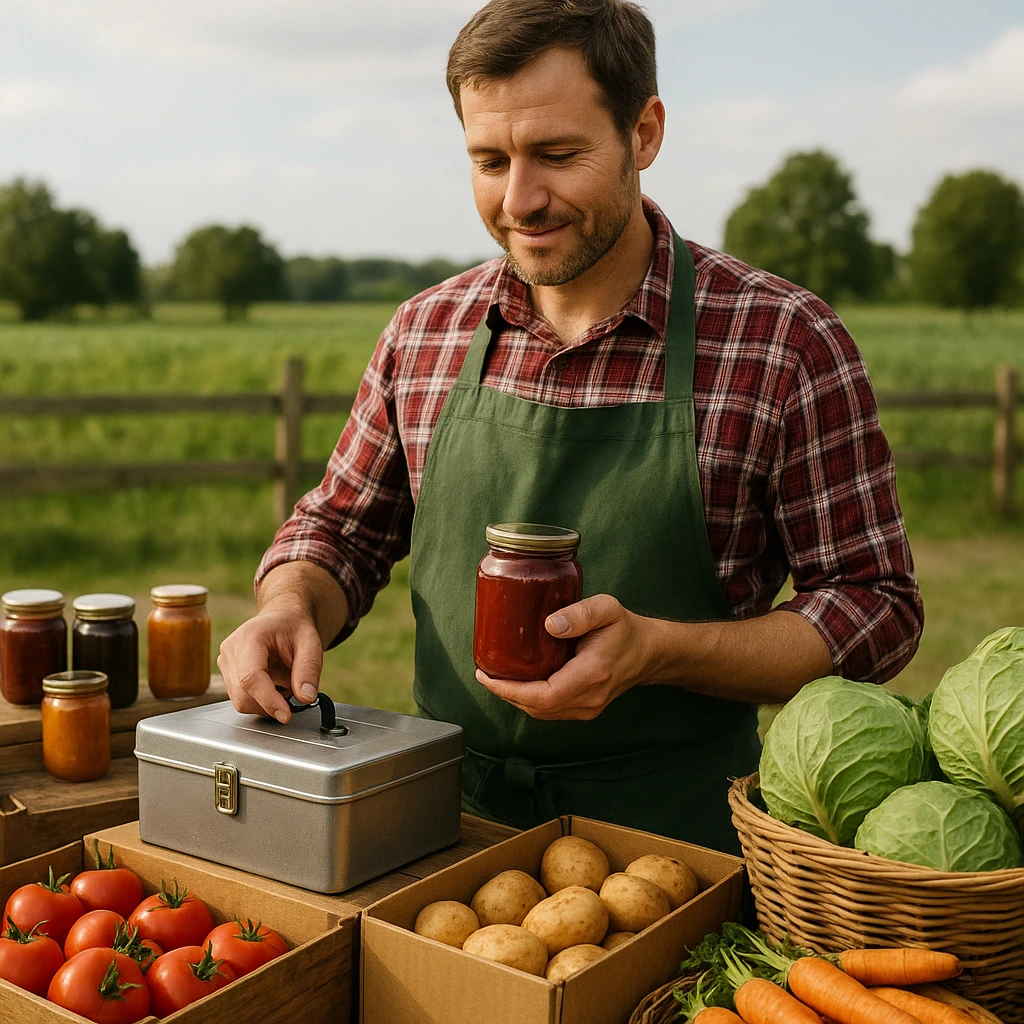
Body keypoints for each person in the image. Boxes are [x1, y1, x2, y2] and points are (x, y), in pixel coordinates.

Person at [218, 0, 923, 854]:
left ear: (645, 132)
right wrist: (291, 604)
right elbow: (342, 529)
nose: (520, 200)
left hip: (675, 849)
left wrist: (658, 651)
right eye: (489, 159)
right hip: (442, 829)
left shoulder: (783, 342)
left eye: (557, 154)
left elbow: (876, 609)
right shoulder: (426, 330)